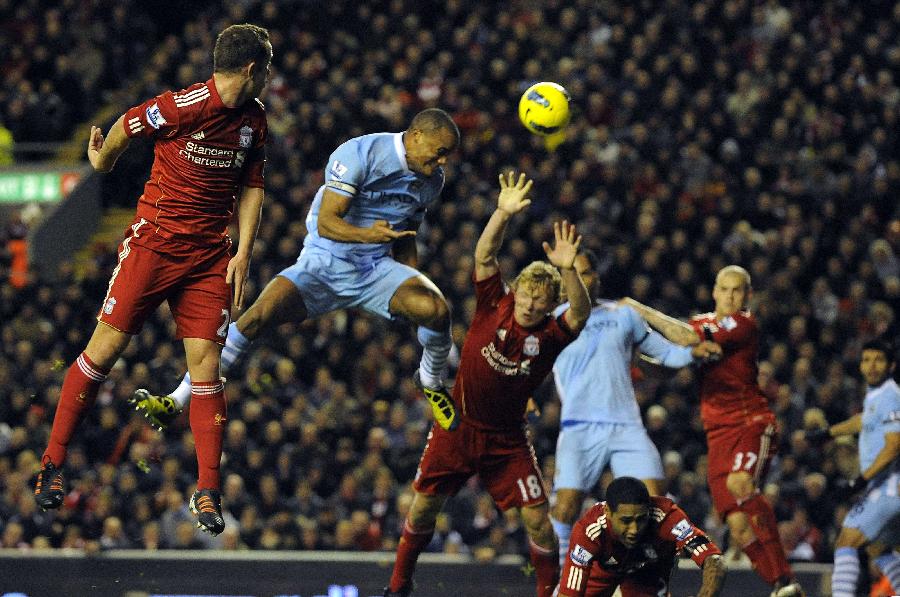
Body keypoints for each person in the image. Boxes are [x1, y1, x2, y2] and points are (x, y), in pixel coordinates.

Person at [31, 24, 273, 536]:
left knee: (207, 365)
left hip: (209, 257)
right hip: (154, 246)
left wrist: (243, 253)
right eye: (267, 70)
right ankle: (52, 463)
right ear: (251, 69)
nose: (269, 79)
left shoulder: (255, 121)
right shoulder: (185, 105)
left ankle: (207, 490)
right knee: (103, 352)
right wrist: (103, 160)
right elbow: (127, 122)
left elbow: (252, 184)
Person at [131, 108, 462, 433]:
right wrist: (367, 234)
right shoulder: (361, 153)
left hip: (375, 269)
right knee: (255, 318)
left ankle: (431, 382)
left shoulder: (432, 181)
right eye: (440, 152)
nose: (443, 161)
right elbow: (327, 222)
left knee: (435, 309)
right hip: (323, 264)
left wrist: (411, 277)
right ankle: (177, 399)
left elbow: (406, 236)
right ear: (417, 137)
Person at [384, 172, 592, 597]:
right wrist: (501, 213)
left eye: (542, 300)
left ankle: (549, 592)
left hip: (507, 439)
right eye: (528, 295)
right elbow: (483, 255)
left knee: (538, 518)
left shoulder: (551, 335)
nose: (533, 304)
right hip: (458, 426)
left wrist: (569, 271)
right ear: (516, 292)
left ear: (551, 305)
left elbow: (581, 314)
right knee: (423, 506)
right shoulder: (493, 303)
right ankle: (399, 585)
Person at [623, 265, 803, 597]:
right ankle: (779, 586)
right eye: (726, 289)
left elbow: (687, 339)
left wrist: (641, 310)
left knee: (740, 483)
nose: (731, 296)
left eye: (738, 291)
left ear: (748, 296)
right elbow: (672, 357)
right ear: (715, 292)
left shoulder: (743, 324)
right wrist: (638, 354)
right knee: (736, 525)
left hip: (750, 422)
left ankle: (786, 578)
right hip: (717, 433)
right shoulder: (700, 324)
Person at [549, 250, 722, 567]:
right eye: (573, 273)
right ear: (562, 281)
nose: (582, 280)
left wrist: (693, 354)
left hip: (626, 426)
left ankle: (650, 580)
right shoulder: (552, 322)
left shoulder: (622, 315)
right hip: (578, 428)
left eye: (587, 273)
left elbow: (666, 354)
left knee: (655, 502)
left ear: (597, 278)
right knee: (564, 509)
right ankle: (556, 585)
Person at [803, 340, 900, 597]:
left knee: (846, 541)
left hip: (888, 488)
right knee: (878, 549)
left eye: (878, 360)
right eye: (867, 360)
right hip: (887, 489)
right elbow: (862, 421)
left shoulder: (890, 396)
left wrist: (860, 481)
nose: (872, 366)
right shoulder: (877, 395)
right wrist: (828, 433)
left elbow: (894, 445)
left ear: (891, 365)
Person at [556, 476, 725, 596]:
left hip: (648, 569)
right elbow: (569, 593)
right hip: (602, 572)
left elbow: (713, 559)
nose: (634, 530)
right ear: (608, 512)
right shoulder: (588, 532)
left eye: (641, 519)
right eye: (626, 520)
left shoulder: (668, 518)